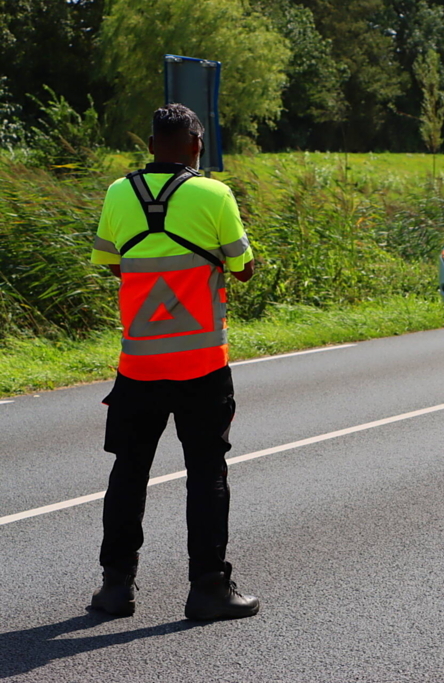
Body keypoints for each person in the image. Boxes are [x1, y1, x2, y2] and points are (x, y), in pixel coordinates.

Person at [88, 103, 259, 620]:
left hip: (138, 365)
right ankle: (208, 588)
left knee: (129, 472)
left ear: (151, 144)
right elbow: (244, 268)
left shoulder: (119, 194)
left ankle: (116, 588)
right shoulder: (214, 193)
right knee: (206, 473)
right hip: (202, 366)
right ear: (197, 145)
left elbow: (111, 262)